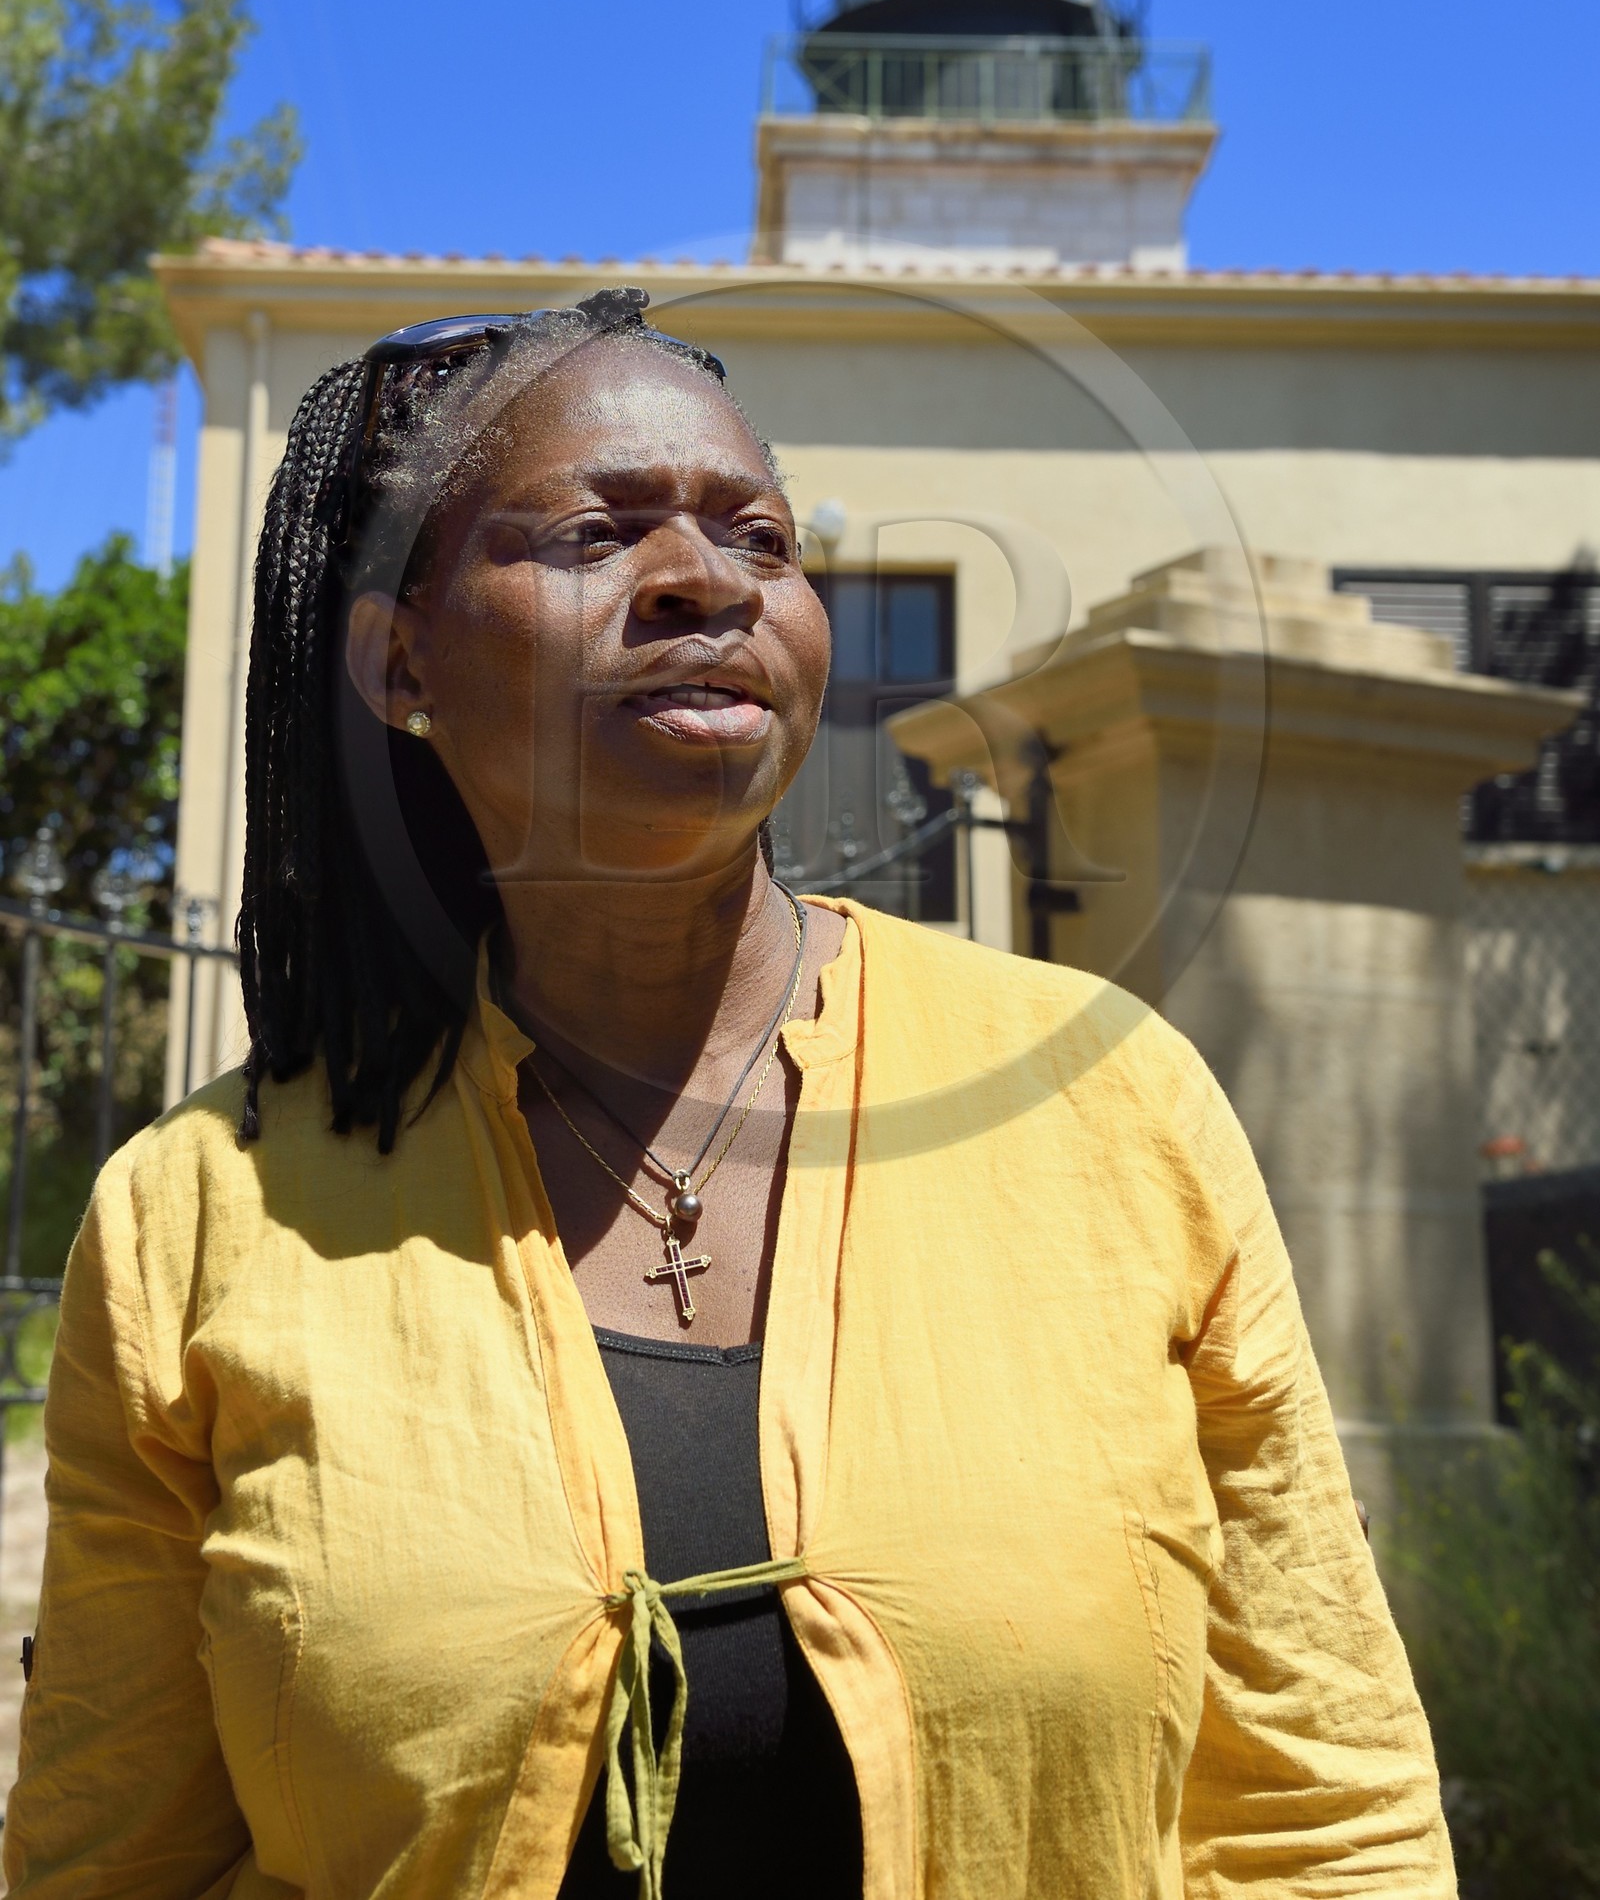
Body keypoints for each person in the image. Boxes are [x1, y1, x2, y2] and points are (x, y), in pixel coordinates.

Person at [5, 290, 1456, 1899]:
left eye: (759, 537)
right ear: (401, 657)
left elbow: (1327, 1808)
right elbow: (110, 1854)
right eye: (596, 532)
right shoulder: (202, 1214)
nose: (705, 580)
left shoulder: (1109, 1104)